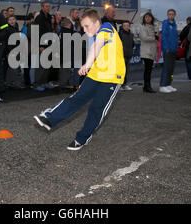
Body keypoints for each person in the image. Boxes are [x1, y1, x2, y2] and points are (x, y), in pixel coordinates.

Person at [33, 9, 125, 151]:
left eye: (87, 26)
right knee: (76, 98)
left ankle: (82, 139)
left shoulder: (106, 27)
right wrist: (89, 64)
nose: (85, 29)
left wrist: (87, 65)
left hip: (112, 77)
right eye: (82, 27)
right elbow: (93, 50)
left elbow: (97, 45)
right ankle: (50, 119)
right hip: (95, 74)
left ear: (96, 23)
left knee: (97, 108)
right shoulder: (93, 37)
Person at [32, 2, 56, 92]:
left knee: (47, 65)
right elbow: (35, 32)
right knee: (41, 66)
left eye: (49, 6)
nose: (48, 8)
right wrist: (39, 45)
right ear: (42, 7)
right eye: (46, 6)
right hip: (42, 45)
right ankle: (37, 84)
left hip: (49, 44)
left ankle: (44, 82)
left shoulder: (49, 17)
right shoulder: (39, 18)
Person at [159, 9, 178, 93]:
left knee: (171, 68)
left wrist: (176, 47)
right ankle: (162, 85)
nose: (171, 16)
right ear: (167, 15)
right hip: (168, 49)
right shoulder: (165, 23)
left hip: (174, 49)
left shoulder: (174, 24)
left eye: (172, 14)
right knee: (166, 67)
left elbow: (175, 38)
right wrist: (166, 48)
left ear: (175, 15)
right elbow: (164, 37)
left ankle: (168, 84)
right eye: (169, 14)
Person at [139, 12, 158, 93]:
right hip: (146, 51)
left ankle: (146, 86)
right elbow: (144, 38)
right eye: (146, 17)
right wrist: (155, 37)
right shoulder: (143, 27)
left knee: (149, 70)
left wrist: (156, 36)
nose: (148, 18)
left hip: (151, 51)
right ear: (144, 18)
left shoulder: (153, 27)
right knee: (147, 69)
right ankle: (147, 86)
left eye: (149, 17)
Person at [119, 20, 134, 91]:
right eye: (124, 25)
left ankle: (124, 84)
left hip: (129, 54)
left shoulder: (131, 34)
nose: (126, 27)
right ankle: (120, 85)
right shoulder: (120, 34)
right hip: (122, 55)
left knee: (126, 71)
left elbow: (132, 44)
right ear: (122, 27)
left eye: (127, 25)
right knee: (121, 71)